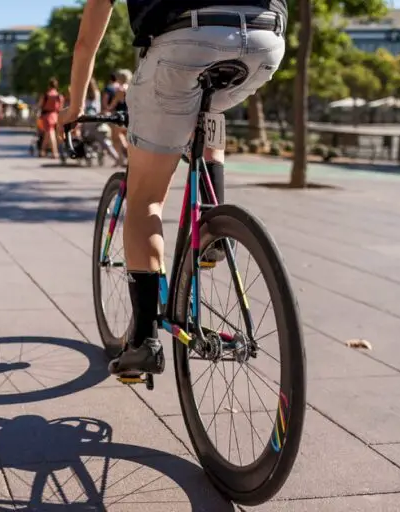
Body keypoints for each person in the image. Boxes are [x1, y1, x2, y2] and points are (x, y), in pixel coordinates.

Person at [58, 0, 286, 377]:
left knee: (145, 199)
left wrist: (76, 105)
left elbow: (86, 43)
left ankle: (143, 341)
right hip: (265, 40)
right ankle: (213, 231)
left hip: (186, 40)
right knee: (208, 109)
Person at [81, 77, 119, 163]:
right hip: (98, 118)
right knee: (104, 141)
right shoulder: (97, 93)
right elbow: (99, 107)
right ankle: (115, 157)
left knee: (87, 137)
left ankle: (92, 155)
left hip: (87, 120)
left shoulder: (84, 94)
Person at [104, 69, 132, 166]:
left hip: (120, 115)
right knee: (126, 136)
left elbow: (114, 103)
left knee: (116, 137)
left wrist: (108, 108)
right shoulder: (131, 88)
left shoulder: (121, 89)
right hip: (130, 114)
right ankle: (123, 159)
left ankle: (123, 155)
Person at [38, 78, 64, 158]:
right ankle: (42, 151)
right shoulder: (59, 96)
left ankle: (54, 152)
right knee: (47, 134)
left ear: (49, 85)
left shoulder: (46, 95)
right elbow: (61, 108)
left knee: (50, 133)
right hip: (56, 116)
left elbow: (40, 105)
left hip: (47, 116)